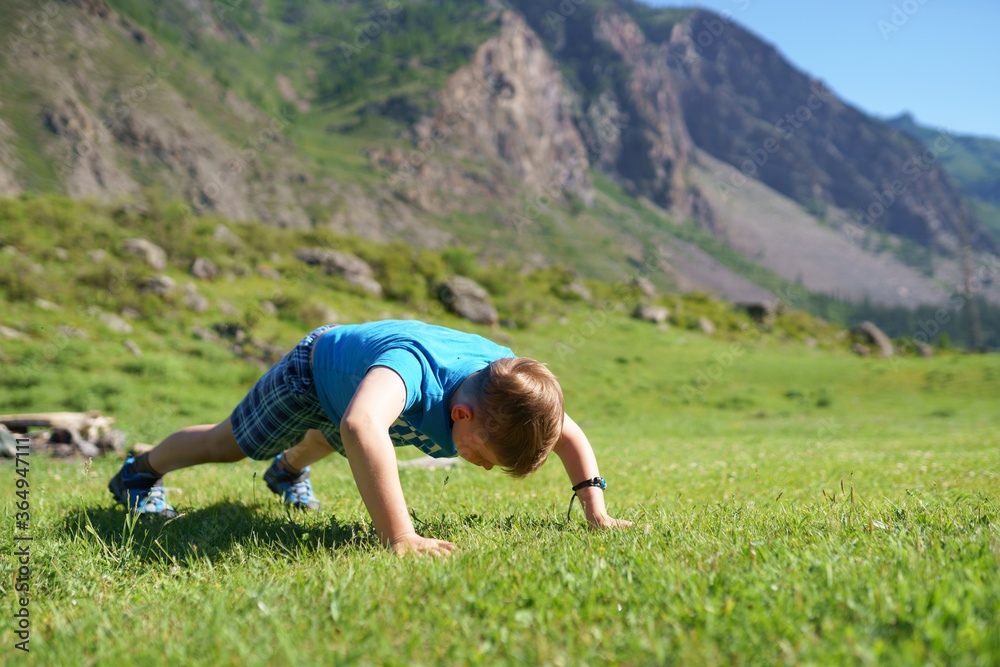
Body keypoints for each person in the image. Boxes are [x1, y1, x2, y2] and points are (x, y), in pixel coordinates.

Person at [108, 320, 631, 556]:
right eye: (483, 457)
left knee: (331, 440)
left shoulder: (506, 396)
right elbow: (361, 425)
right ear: (463, 415)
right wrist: (400, 536)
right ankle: (139, 472)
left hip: (352, 394)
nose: (484, 468)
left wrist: (595, 510)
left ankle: (287, 472)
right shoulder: (412, 370)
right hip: (312, 374)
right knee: (230, 443)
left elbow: (569, 433)